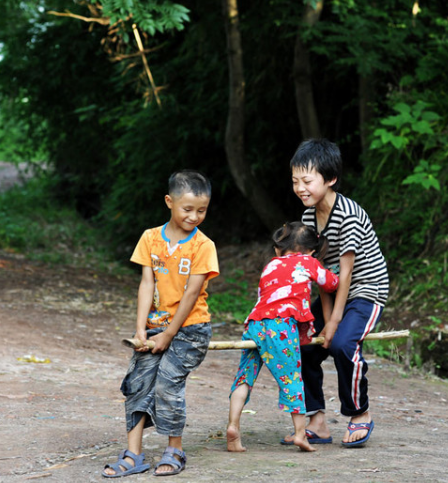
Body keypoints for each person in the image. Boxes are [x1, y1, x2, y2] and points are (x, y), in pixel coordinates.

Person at [102, 170, 219, 478]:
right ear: (169, 202)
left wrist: (169, 334)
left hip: (191, 330)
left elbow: (192, 294)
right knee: (137, 383)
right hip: (155, 328)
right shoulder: (150, 238)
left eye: (202, 211)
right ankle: (134, 455)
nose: (195, 216)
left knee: (168, 382)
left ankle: (174, 450)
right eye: (188, 209)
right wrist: (141, 329)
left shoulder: (203, 246)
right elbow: (146, 285)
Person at [282, 138, 389, 448]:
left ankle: (360, 414)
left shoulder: (349, 215)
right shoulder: (307, 218)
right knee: (302, 344)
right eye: (295, 181)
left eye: (307, 180)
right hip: (335, 289)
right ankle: (317, 421)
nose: (300, 188)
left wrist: (334, 323)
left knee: (342, 344)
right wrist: (325, 319)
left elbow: (346, 274)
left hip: (366, 290)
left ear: (330, 179)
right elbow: (321, 275)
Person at [227, 221, 339, 453]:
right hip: (280, 326)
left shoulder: (271, 265)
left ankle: (233, 426)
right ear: (310, 250)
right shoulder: (309, 261)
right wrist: (342, 272)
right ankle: (300, 434)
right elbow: (331, 283)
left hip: (255, 323)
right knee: (292, 379)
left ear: (279, 249)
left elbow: (263, 295)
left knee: (245, 377)